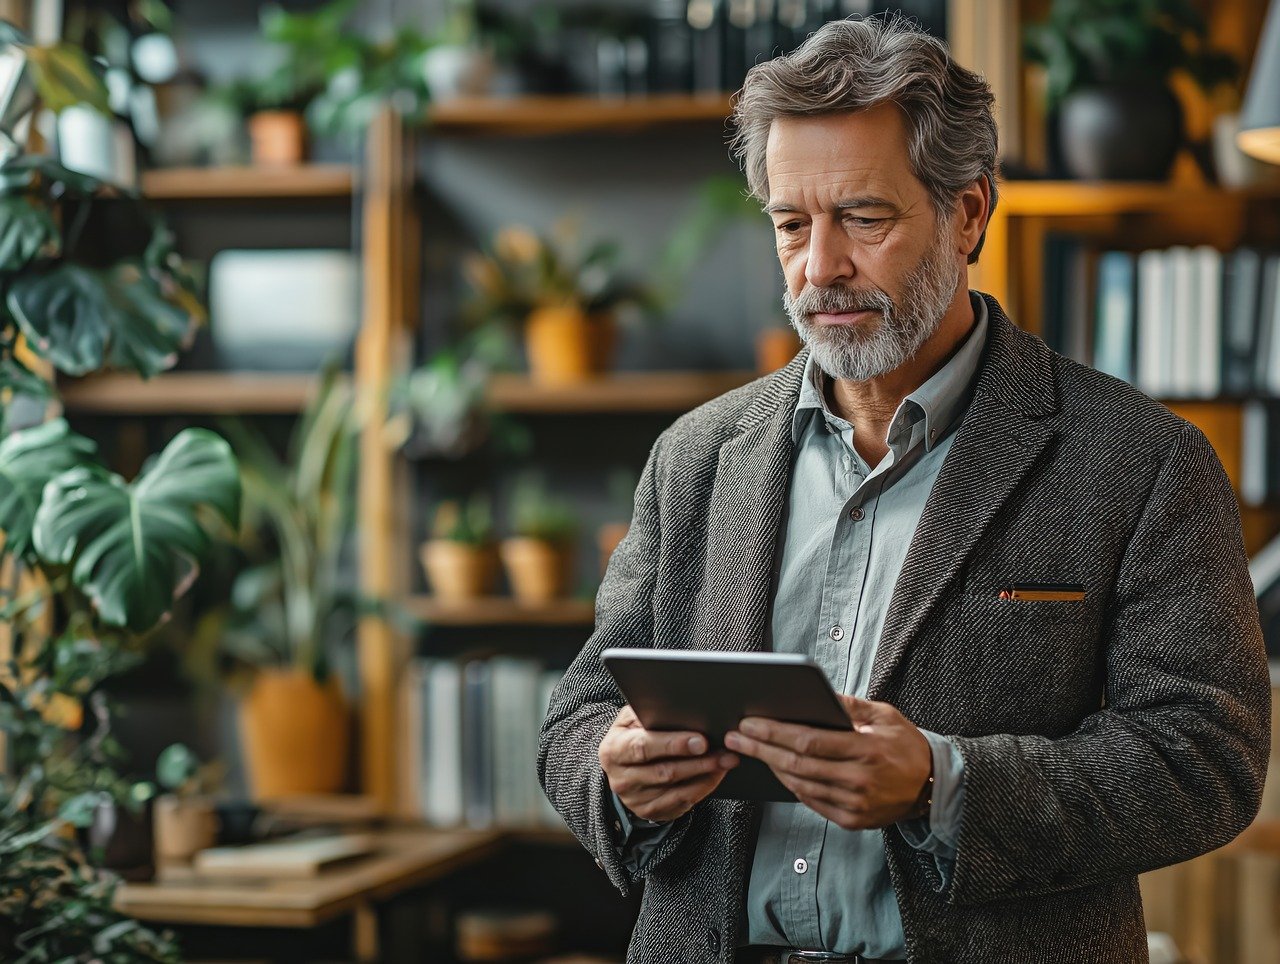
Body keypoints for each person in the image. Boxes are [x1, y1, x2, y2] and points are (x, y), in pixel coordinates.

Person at [537, 14, 1271, 964]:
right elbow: (576, 719)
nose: (819, 268)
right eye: (792, 225)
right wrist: (615, 774)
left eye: (864, 219)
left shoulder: (1141, 462)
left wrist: (944, 782)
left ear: (968, 213)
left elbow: (1203, 760)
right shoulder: (697, 456)